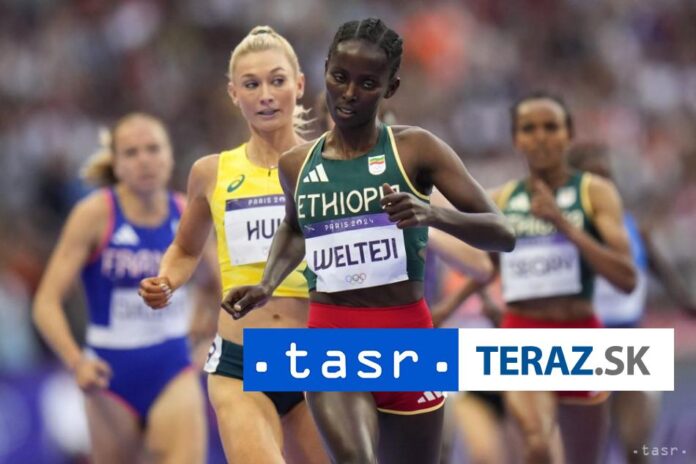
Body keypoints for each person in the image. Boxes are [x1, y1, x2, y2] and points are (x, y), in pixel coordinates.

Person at [222, 18, 516, 464]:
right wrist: (267, 283)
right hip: (331, 338)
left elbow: (503, 233)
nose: (349, 93)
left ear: (390, 87)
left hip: (407, 340)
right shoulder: (297, 164)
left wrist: (432, 214)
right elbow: (296, 228)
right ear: (324, 71)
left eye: (367, 83)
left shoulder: (416, 149)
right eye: (339, 77)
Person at [139, 26, 328, 464]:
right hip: (241, 362)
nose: (266, 95)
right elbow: (186, 249)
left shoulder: (331, 168)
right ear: (233, 94)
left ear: (299, 85)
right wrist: (167, 280)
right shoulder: (212, 173)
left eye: (277, 81)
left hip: (319, 359)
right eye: (251, 84)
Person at [32, 113, 209, 464]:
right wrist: (76, 362)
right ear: (116, 164)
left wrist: (209, 337)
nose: (144, 160)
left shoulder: (187, 212)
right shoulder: (94, 214)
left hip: (173, 365)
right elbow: (46, 303)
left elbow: (220, 283)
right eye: (131, 152)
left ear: (169, 156)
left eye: (153, 149)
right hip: (109, 375)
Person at [490, 92, 637, 464]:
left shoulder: (595, 192)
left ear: (569, 134)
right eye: (529, 129)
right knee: (538, 444)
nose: (540, 137)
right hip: (521, 334)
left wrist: (562, 223)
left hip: (580, 334)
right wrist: (470, 302)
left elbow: (627, 279)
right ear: (516, 139)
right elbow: (482, 265)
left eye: (551, 127)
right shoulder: (500, 199)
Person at [568, 142, 696, 464]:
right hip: (583, 345)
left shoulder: (632, 227)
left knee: (636, 445)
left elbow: (661, 272)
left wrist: (687, 304)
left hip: (629, 340)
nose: (603, 186)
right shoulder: (564, 231)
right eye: (594, 179)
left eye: (607, 177)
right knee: (588, 448)